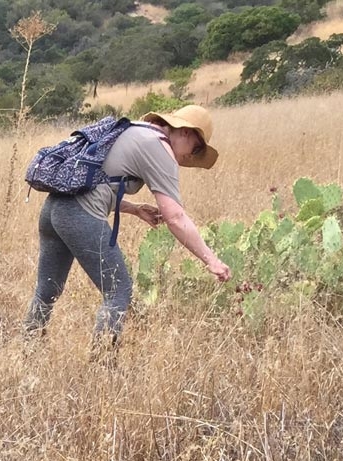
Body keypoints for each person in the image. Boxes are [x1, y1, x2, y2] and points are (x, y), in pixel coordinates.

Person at [23, 105, 231, 343]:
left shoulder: (132, 130)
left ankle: (29, 349)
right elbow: (175, 217)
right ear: (185, 131)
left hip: (52, 210)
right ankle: (103, 367)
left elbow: (95, 183)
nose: (191, 157)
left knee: (47, 289)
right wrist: (211, 260)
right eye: (197, 148)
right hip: (78, 215)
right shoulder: (159, 147)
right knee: (118, 291)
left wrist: (134, 209)